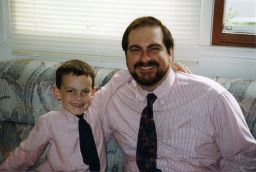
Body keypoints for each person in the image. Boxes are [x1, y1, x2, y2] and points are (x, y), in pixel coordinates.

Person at [87, 16, 256, 171]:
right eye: (135, 50)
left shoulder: (213, 98)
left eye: (154, 49)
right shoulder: (115, 98)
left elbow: (243, 160)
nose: (145, 58)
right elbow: (83, 134)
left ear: (170, 52)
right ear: (126, 56)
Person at [0, 59, 106, 172]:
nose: (79, 98)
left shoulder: (96, 111)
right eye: (71, 91)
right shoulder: (49, 121)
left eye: (85, 91)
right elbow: (27, 153)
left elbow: (116, 84)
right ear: (57, 93)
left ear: (93, 93)